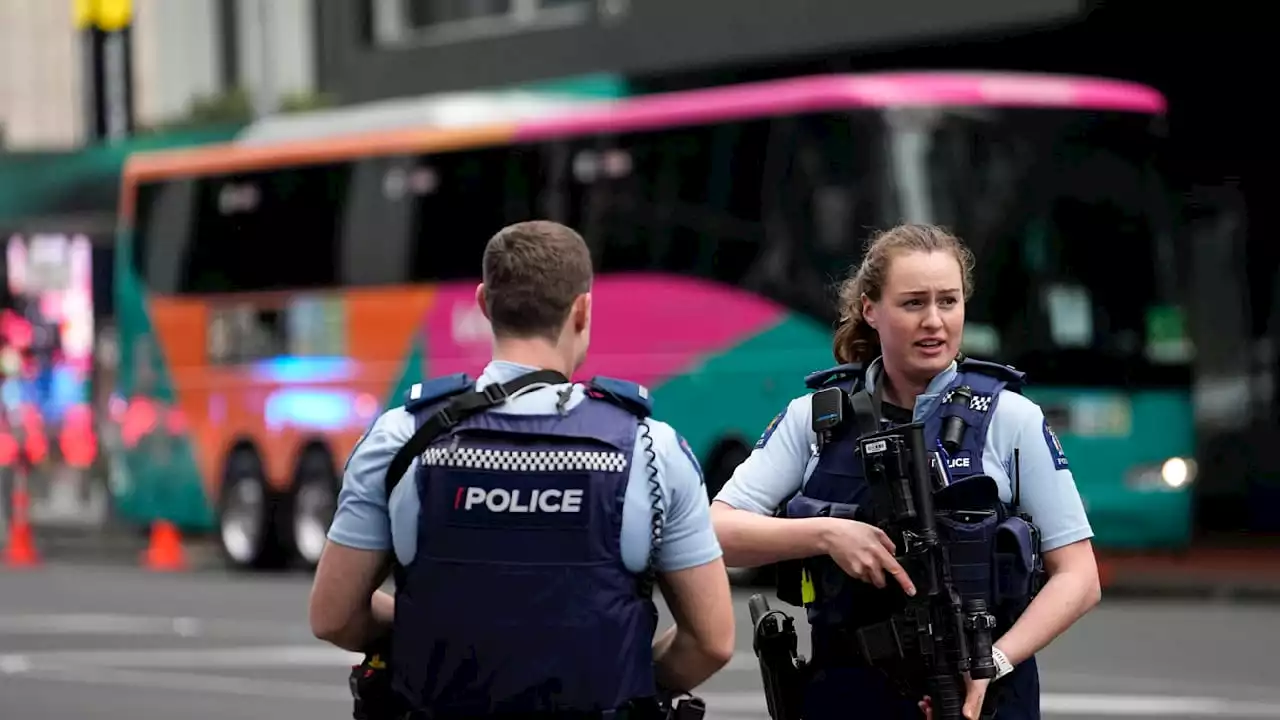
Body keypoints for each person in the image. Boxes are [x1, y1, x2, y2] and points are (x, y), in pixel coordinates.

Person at [309, 220, 735, 719]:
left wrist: (452, 634)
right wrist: (624, 674)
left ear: (484, 303)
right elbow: (712, 642)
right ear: (582, 309)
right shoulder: (652, 449)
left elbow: (334, 616)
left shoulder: (399, 437)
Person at [712, 223, 1102, 720]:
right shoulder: (815, 418)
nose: (934, 321)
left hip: (982, 696)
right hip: (849, 695)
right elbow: (718, 531)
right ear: (870, 310)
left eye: (949, 301)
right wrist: (826, 535)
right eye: (914, 303)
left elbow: (1079, 576)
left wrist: (994, 662)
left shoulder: (1011, 417)